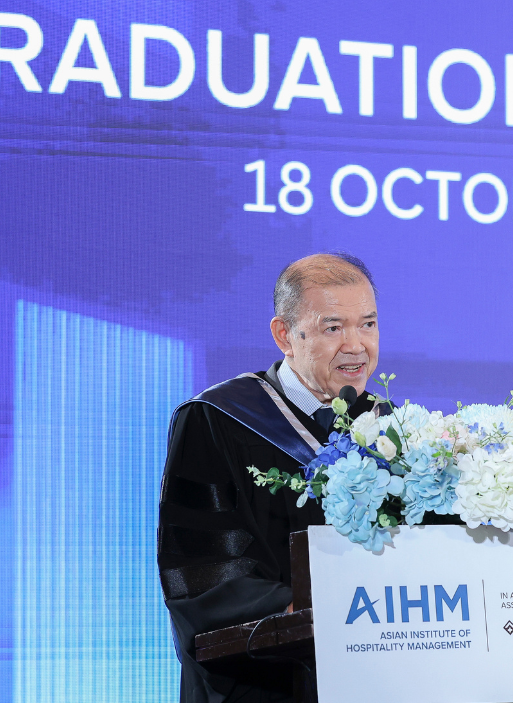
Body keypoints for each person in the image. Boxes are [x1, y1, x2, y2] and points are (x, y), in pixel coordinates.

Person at [157, 252, 381, 703]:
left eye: (368, 324)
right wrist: (307, 612)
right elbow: (201, 566)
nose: (357, 345)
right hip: (265, 685)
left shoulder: (388, 425)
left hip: (375, 676)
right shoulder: (216, 420)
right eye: (333, 327)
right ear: (285, 335)